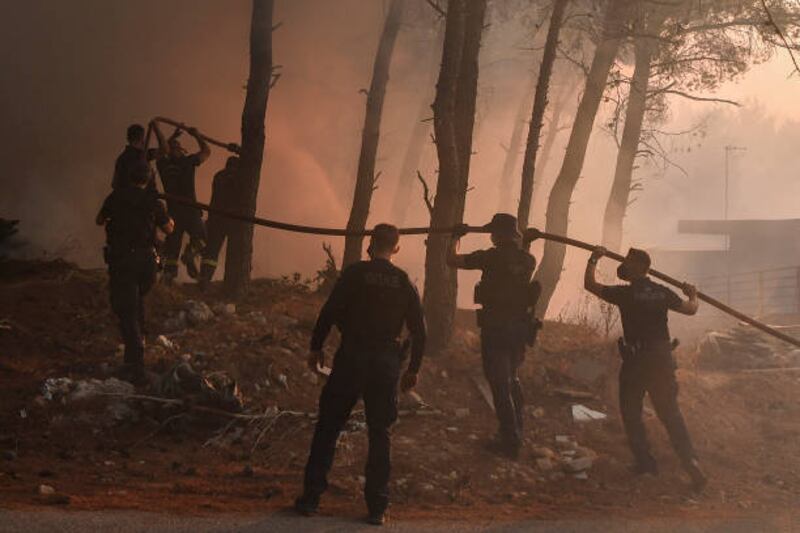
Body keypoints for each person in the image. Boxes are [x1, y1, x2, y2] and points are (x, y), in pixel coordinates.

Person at [295, 224, 426, 526]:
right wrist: (413, 369)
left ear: (370, 244)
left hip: (351, 358)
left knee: (328, 427)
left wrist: (316, 347)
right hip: (385, 365)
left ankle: (311, 499)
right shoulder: (404, 282)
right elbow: (420, 332)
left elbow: (328, 312)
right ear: (396, 248)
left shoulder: (355, 274)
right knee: (380, 433)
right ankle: (377, 507)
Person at [584, 246, 707, 491]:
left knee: (631, 413)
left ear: (641, 266)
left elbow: (590, 285)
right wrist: (693, 294)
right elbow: (691, 309)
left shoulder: (626, 294)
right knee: (671, 414)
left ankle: (646, 463)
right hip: (661, 360)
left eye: (628, 261)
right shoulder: (662, 292)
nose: (623, 265)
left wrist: (594, 258)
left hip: (636, 362)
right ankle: (690, 460)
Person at [447, 213, 537, 459]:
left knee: (499, 383)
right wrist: (527, 242)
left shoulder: (489, 257)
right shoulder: (529, 259)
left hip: (496, 329)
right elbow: (518, 262)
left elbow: (451, 259)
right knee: (512, 378)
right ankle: (517, 429)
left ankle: (509, 440)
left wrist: (455, 237)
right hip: (518, 331)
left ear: (497, 234)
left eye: (493, 232)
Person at [97, 158, 174, 385]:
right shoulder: (153, 202)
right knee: (136, 303)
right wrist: (170, 220)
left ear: (129, 177)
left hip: (123, 261)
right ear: (148, 178)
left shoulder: (115, 197)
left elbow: (99, 219)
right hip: (147, 263)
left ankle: (136, 364)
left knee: (126, 309)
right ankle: (134, 355)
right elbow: (169, 228)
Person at [154, 122, 210, 282]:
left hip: (173, 212)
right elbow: (206, 151)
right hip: (191, 211)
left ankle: (168, 278)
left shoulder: (163, 164)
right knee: (202, 238)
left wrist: (167, 135)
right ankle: (190, 253)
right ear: (180, 150)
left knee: (172, 248)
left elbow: (161, 151)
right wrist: (196, 135)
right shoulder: (188, 162)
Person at [198, 156, 239, 290]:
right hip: (228, 220)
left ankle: (204, 278)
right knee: (226, 251)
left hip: (214, 217)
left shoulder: (219, 175)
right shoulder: (235, 179)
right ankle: (208, 279)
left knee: (211, 251)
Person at [111, 122, 166, 191]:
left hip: (124, 197)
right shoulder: (142, 155)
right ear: (141, 139)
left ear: (128, 138)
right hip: (144, 198)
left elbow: (114, 184)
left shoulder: (121, 158)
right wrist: (156, 129)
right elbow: (165, 149)